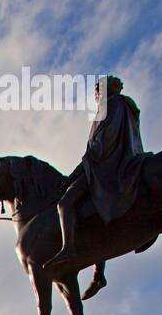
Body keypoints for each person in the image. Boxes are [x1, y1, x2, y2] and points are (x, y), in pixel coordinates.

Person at [47, 76, 147, 295]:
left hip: (104, 168)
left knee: (65, 203)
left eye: (96, 91)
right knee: (95, 214)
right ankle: (98, 273)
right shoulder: (127, 107)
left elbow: (98, 146)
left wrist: (74, 174)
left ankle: (68, 249)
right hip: (123, 161)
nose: (95, 96)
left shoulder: (109, 106)